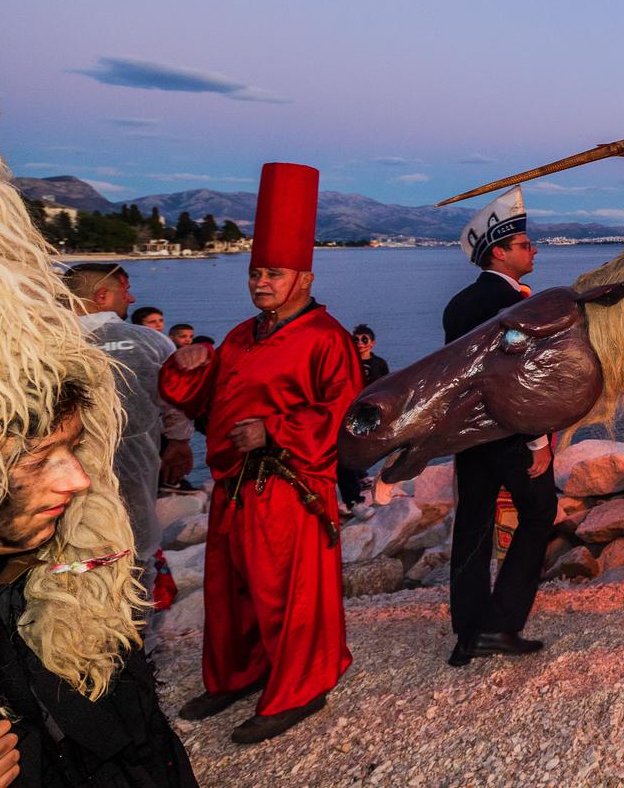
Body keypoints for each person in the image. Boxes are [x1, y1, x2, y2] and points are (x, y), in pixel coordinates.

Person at [0, 137, 197, 786]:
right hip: (131, 502)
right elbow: (178, 415)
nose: (76, 476)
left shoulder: (60, 565)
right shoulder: (146, 342)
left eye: (73, 449)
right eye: (43, 456)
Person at [159, 162, 360, 744]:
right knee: (232, 592)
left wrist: (274, 429)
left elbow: (350, 417)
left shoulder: (329, 338)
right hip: (233, 486)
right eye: (255, 272)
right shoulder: (243, 336)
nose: (260, 282)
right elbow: (194, 397)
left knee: (288, 596)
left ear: (304, 276)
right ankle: (236, 675)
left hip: (291, 489)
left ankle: (301, 689)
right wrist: (185, 363)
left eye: (273, 272)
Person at [442, 187, 555, 667]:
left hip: (470, 436)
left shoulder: (458, 304)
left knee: (472, 525)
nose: (533, 251)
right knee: (538, 514)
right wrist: (539, 441)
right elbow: (521, 380)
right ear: (500, 252)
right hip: (511, 434)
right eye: (525, 245)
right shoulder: (518, 307)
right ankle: (501, 624)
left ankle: (467, 634)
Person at [61, 263, 194, 619]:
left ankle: (78, 637)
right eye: (124, 291)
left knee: (73, 560)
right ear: (102, 297)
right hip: (134, 468)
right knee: (137, 556)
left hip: (64, 476)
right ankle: (135, 644)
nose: (131, 298)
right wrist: (180, 443)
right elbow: (176, 400)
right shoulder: (151, 342)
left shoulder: (44, 343)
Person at [336, 324, 389, 511]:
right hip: (346, 410)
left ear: (372, 343)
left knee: (364, 444)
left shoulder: (379, 364)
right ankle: (355, 487)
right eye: (356, 339)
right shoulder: (345, 363)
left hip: (368, 411)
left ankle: (361, 474)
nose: (360, 343)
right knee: (348, 447)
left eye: (364, 339)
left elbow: (387, 385)